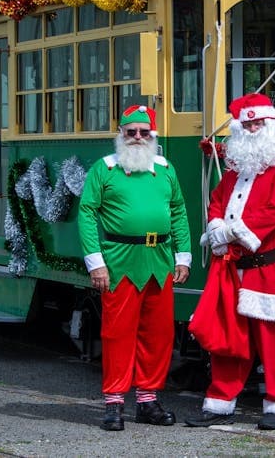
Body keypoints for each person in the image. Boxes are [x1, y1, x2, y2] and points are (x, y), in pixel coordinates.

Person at [185, 93, 275, 431]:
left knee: (274, 338)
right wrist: (215, 226)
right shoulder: (236, 167)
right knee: (228, 337)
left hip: (272, 266)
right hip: (233, 267)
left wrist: (229, 234)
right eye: (247, 123)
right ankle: (220, 402)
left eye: (258, 122)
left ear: (272, 123)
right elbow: (218, 200)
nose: (252, 128)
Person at [78, 105, 192, 432]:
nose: (138, 137)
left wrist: (182, 255)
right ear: (121, 134)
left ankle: (147, 400)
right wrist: (95, 262)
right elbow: (87, 213)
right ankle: (114, 402)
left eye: (144, 132)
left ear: (153, 135)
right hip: (119, 259)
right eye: (131, 132)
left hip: (158, 258)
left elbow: (179, 211)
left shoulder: (165, 168)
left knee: (158, 334)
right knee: (117, 333)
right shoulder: (105, 168)